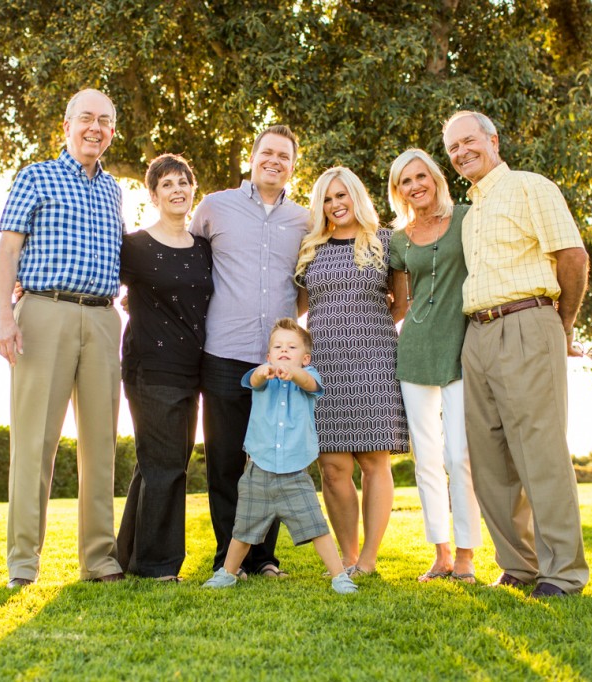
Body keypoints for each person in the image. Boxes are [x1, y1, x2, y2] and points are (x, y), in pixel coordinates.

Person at [442, 110, 590, 598]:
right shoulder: (470, 212)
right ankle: (519, 565)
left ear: (492, 139)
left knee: (540, 452)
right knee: (488, 458)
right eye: (453, 149)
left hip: (529, 321)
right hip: (477, 334)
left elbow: (572, 257)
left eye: (469, 142)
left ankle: (563, 572)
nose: (462, 153)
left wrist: (559, 326)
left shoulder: (531, 186)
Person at [0, 89, 125, 588]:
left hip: (101, 318)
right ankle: (23, 565)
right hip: (43, 313)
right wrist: (5, 318)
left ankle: (100, 560)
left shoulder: (113, 189)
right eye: (87, 119)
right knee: (35, 443)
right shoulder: (35, 176)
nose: (96, 128)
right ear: (67, 125)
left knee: (101, 445)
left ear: (112, 131)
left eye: (105, 121)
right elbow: (7, 252)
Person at [189, 125, 310, 578]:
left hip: (276, 361)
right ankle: (227, 557)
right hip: (222, 353)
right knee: (223, 463)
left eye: (285, 156)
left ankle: (263, 558)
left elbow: (304, 286)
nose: (275, 161)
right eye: (268, 153)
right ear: (253, 156)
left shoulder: (303, 220)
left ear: (293, 167)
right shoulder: (214, 207)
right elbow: (188, 261)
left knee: (270, 460)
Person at [294, 166, 409, 576]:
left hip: (374, 360)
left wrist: (368, 330)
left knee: (374, 461)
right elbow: (300, 307)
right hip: (324, 364)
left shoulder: (386, 241)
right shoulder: (311, 247)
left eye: (341, 196)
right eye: (327, 198)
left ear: (356, 197)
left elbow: (401, 305)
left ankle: (369, 559)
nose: (335, 204)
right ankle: (346, 556)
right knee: (332, 466)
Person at [202, 319, 357, 594]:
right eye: (277, 346)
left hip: (295, 472)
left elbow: (309, 382)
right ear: (268, 355)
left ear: (305, 357)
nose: (283, 350)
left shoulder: (310, 376)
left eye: (292, 347)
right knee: (243, 528)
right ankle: (227, 573)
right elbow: (253, 379)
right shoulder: (262, 378)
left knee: (316, 526)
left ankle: (339, 576)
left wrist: (293, 373)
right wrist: (265, 371)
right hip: (259, 469)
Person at [386, 149, 483, 584]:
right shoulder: (399, 239)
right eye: (405, 181)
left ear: (435, 178)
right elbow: (399, 303)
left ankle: (466, 555)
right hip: (415, 353)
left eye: (420, 176)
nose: (415, 186)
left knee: (459, 455)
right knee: (426, 459)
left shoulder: (467, 217)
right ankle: (441, 554)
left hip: (462, 348)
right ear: (397, 190)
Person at [114, 154, 212, 582]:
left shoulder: (204, 248)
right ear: (153, 195)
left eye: (183, 182)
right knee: (166, 463)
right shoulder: (134, 246)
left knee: (159, 461)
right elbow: (102, 280)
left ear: (193, 190)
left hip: (193, 367)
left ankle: (128, 555)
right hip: (149, 367)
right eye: (167, 184)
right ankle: (158, 566)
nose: (177, 190)